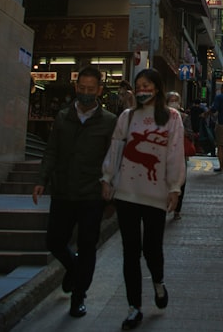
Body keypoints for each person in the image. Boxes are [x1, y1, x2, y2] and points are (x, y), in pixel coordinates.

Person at [101, 68, 185, 330]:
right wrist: (107, 179)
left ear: (157, 88)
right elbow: (116, 148)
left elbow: (174, 153)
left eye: (147, 85)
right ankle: (133, 307)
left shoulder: (171, 117)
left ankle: (158, 283)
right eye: (139, 85)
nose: (142, 90)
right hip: (127, 193)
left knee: (152, 249)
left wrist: (174, 188)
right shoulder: (127, 117)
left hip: (156, 195)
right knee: (130, 252)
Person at [33, 66, 117, 319]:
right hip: (63, 190)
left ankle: (79, 297)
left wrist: (109, 185)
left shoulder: (109, 121)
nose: (86, 93)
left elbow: (111, 159)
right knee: (55, 241)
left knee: (88, 245)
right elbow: (51, 151)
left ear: (100, 91)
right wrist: (41, 179)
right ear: (76, 87)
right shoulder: (62, 117)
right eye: (82, 88)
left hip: (91, 194)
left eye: (91, 90)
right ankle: (73, 268)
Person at [166, 91, 190, 220]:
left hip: (181, 153)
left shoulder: (184, 117)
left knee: (181, 180)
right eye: (171, 100)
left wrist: (180, 129)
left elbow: (191, 134)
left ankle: (177, 209)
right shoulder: (160, 117)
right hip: (164, 153)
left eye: (176, 100)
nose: (174, 103)